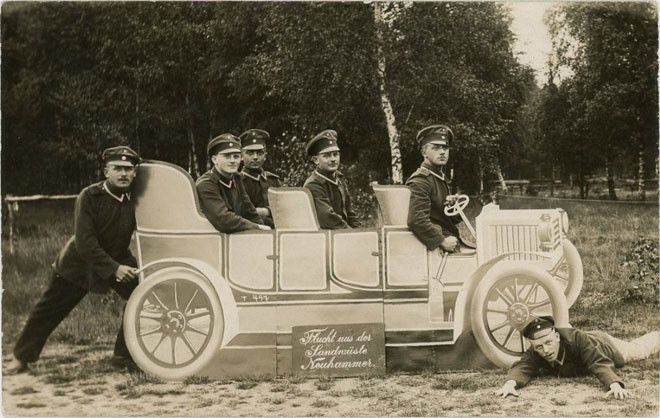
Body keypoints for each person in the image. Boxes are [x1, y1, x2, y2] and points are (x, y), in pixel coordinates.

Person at [6, 146, 142, 374]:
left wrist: (121, 265)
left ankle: (122, 356)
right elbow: (85, 242)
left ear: (135, 173)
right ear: (105, 171)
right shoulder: (89, 196)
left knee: (142, 296)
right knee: (49, 310)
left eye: (128, 169)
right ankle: (21, 357)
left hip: (116, 258)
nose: (123, 174)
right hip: (77, 265)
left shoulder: (136, 198)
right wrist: (115, 269)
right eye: (117, 168)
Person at [496, 316, 660, 400]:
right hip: (590, 339)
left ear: (557, 336)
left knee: (639, 351)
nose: (545, 350)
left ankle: (657, 336)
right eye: (539, 347)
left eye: (548, 343)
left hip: (604, 345)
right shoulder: (537, 349)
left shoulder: (577, 339)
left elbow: (598, 362)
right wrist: (510, 384)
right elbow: (523, 366)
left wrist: (614, 384)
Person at [196, 133, 271, 233]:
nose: (232, 161)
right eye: (227, 156)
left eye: (236, 156)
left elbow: (249, 211)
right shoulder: (206, 184)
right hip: (211, 240)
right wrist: (257, 227)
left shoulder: (236, 178)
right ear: (214, 159)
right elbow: (224, 220)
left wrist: (263, 230)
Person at [406, 124, 462, 252]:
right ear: (424, 152)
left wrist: (454, 206)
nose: (442, 152)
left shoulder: (438, 177)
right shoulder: (421, 181)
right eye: (436, 148)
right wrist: (442, 241)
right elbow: (416, 220)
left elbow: (445, 218)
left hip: (449, 238)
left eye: (445, 148)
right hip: (439, 247)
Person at [303, 129, 360, 229]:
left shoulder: (339, 179)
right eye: (327, 156)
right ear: (316, 160)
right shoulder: (313, 184)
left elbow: (350, 213)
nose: (333, 159)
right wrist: (352, 234)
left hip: (342, 234)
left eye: (335, 154)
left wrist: (361, 232)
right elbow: (328, 218)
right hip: (326, 237)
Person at [239, 129, 281, 227]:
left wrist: (266, 211)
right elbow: (242, 212)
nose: (255, 157)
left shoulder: (273, 180)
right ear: (241, 156)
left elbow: (283, 206)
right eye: (250, 153)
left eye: (259, 153)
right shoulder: (238, 182)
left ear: (265, 156)